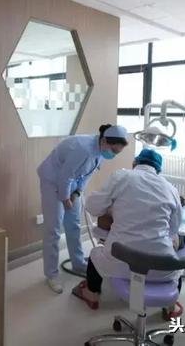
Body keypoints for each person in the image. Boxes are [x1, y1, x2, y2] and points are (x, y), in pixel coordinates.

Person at [71, 149, 183, 309]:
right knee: (175, 270)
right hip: (161, 267)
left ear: (134, 163)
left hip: (121, 261)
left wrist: (113, 209)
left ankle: (91, 294)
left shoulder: (122, 176)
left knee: (96, 254)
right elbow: (174, 228)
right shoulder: (170, 188)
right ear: (159, 170)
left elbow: (92, 206)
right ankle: (170, 307)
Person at [37, 124, 128, 294]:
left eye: (117, 152)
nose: (113, 155)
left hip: (71, 183)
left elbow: (87, 174)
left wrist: (77, 192)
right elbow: (65, 176)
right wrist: (65, 198)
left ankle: (78, 263)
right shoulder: (82, 148)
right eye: (114, 151)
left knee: (74, 225)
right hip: (53, 181)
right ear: (105, 141)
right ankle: (51, 274)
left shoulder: (101, 150)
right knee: (53, 229)